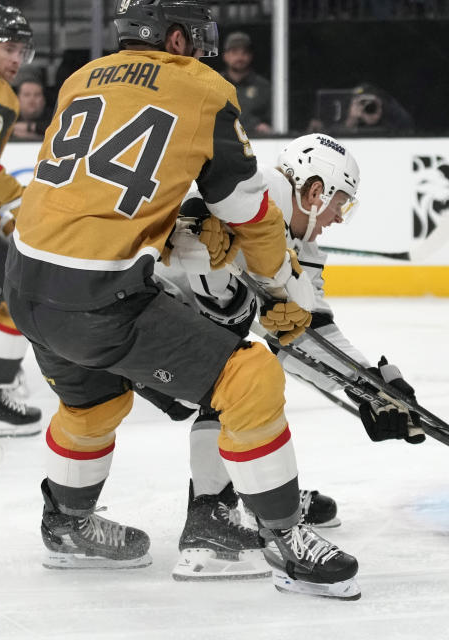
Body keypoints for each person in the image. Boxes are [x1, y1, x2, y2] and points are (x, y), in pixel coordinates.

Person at [4, 0, 378, 600]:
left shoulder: (78, 77)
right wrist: (279, 284)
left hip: (26, 283)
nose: (205, 51)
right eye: (199, 39)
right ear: (175, 37)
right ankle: (272, 536)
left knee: (92, 404)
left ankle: (68, 525)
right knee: (247, 376)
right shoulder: (204, 88)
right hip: (102, 295)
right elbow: (247, 211)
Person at [158, 132, 424, 580]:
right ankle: (211, 518)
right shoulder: (243, 199)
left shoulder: (301, 237)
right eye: (342, 202)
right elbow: (217, 297)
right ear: (316, 191)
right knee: (231, 371)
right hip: (141, 324)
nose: (339, 217)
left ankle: (248, 495)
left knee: (238, 365)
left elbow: (306, 333)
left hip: (158, 330)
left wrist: (371, 386)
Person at [0, 3, 42, 437]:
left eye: (22, 50)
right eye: (9, 48)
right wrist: (20, 208)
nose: (16, 60)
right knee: (21, 286)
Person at [220, 30, 271, 135]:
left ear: (251, 56)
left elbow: (275, 121)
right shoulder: (214, 84)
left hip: (258, 144)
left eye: (244, 53)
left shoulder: (263, 87)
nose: (240, 57)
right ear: (225, 56)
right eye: (234, 52)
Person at [334, 83, 414, 134]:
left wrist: (379, 112)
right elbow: (338, 139)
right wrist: (351, 119)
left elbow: (407, 130)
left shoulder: (389, 117)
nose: (368, 106)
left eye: (371, 102)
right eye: (362, 102)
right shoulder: (350, 118)